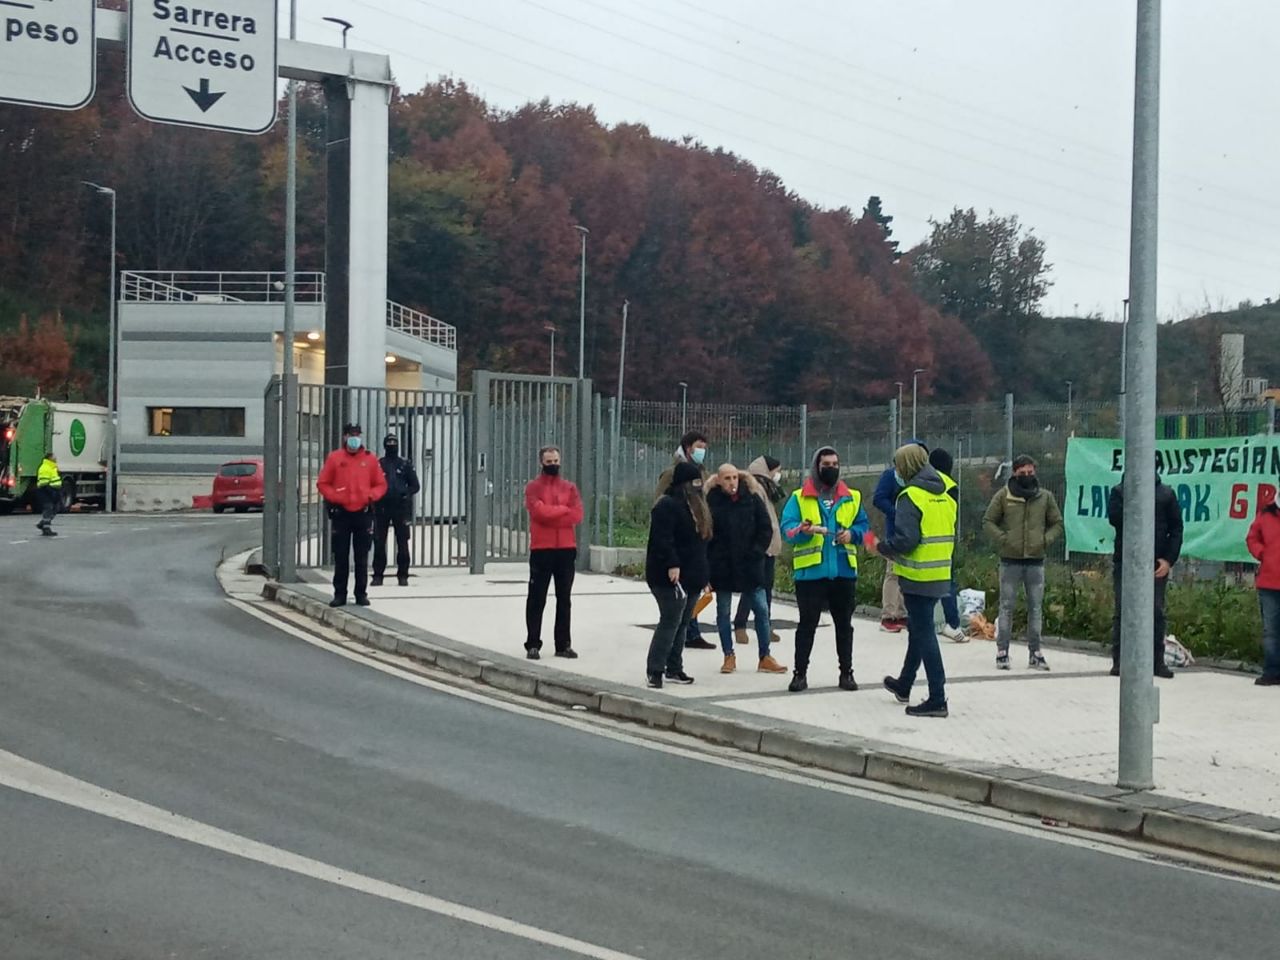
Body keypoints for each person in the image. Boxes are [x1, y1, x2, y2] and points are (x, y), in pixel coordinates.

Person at [875, 443, 956, 718]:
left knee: (925, 634)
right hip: (939, 572)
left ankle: (937, 697)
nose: (896, 471)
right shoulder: (946, 491)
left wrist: (882, 547)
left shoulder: (910, 495)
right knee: (919, 630)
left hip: (917, 575)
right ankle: (905, 683)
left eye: (898, 465)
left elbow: (906, 540)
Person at [779, 446, 869, 693]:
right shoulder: (800, 497)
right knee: (807, 625)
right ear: (816, 467)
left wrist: (852, 534)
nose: (831, 469)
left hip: (843, 571)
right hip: (811, 574)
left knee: (844, 626)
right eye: (826, 465)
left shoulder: (852, 496)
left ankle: (846, 673)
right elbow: (787, 530)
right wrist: (803, 531)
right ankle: (800, 674)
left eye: (835, 464)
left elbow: (863, 526)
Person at [982, 454, 1064, 670]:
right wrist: (1003, 539)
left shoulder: (1045, 497)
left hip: (1036, 561)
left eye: (1030, 472)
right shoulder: (1004, 496)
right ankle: (1002, 652)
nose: (1027, 476)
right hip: (1010, 561)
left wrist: (1045, 540)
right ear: (1015, 473)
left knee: (1035, 608)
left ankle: (1035, 653)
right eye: (1022, 473)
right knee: (1006, 606)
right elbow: (988, 521)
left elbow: (1057, 523)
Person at [705, 463, 787, 674]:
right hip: (723, 566)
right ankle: (728, 655)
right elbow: (705, 534)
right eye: (727, 478)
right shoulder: (712, 501)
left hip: (750, 565)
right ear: (719, 481)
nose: (732, 482)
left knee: (761, 609)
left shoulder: (751, 497)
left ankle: (765, 656)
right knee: (723, 611)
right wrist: (712, 561)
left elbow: (765, 527)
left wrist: (757, 551)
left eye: (734, 477)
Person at [1108, 468, 1183, 679]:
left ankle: (1157, 662)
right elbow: (1115, 518)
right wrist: (1134, 496)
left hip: (1156, 563)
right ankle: (1119, 661)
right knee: (1123, 610)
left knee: (1155, 612)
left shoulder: (1166, 494)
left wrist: (1168, 560)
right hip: (1126, 561)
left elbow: (1176, 529)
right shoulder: (1119, 492)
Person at [645, 461, 711, 688]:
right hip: (667, 575)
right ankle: (655, 669)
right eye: (694, 482)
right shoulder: (667, 506)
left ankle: (674, 667)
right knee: (670, 620)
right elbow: (662, 540)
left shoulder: (699, 507)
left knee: (683, 621)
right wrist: (672, 563)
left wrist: (704, 576)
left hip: (692, 574)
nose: (698, 486)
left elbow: (702, 545)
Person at [655, 430, 716, 650]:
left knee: (692, 592)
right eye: (699, 446)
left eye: (705, 447)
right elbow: (660, 501)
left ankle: (691, 632)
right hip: (680, 541)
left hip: (697, 537)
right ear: (689, 447)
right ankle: (686, 635)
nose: (702, 451)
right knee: (678, 602)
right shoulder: (672, 473)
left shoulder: (702, 471)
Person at [317, 423, 387, 608]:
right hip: (341, 513)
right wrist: (335, 496)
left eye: (357, 434)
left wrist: (371, 495)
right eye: (350, 434)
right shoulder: (335, 458)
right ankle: (340, 594)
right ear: (344, 437)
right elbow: (323, 483)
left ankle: (361, 593)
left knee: (361, 557)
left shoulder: (370, 459)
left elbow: (381, 484)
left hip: (363, 513)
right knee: (341, 556)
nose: (354, 438)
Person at [524, 445, 584, 661]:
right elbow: (538, 513)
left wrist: (553, 513)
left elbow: (577, 515)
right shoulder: (533, 487)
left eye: (556, 461)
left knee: (564, 598)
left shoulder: (569, 487)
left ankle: (563, 644)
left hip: (566, 548)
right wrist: (563, 511)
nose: (553, 465)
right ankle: (533, 644)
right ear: (542, 462)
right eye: (549, 462)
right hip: (542, 548)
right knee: (537, 598)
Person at [873, 439, 928, 633]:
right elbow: (879, 498)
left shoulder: (921, 479)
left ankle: (903, 614)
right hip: (896, 531)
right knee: (893, 572)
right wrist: (897, 513)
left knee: (908, 573)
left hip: (916, 531)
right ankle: (889, 615)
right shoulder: (891, 476)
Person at [733, 455, 785, 645]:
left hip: (768, 545)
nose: (778, 475)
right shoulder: (754, 487)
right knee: (753, 587)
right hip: (759, 546)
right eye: (776, 471)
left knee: (766, 587)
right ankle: (741, 624)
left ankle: (764, 625)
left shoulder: (765, 486)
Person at [929, 447, 968, 643]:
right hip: (945, 542)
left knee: (922, 587)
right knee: (947, 584)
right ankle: (953, 624)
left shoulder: (920, 484)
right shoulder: (951, 486)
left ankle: (920, 623)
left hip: (924, 541)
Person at [372, 433, 420, 587]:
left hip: (400, 507)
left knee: (403, 542)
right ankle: (378, 575)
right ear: (385, 445)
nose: (392, 445)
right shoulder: (379, 464)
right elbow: (371, 484)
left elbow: (415, 485)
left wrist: (405, 493)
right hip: (382, 506)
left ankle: (403, 575)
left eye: (394, 443)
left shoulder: (404, 464)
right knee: (379, 542)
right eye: (389, 443)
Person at [1246, 494, 1280, 687]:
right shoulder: (1266, 513)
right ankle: (1272, 672)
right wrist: (1262, 553)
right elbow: (1252, 538)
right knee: (1271, 631)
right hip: (1269, 582)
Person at [35, 451, 61, 537]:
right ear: (49, 458)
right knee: (48, 508)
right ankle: (46, 528)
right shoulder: (45, 467)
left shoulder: (52, 467)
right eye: (54, 456)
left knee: (56, 508)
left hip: (53, 490)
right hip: (46, 491)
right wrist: (51, 492)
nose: (56, 458)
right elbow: (44, 483)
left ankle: (43, 523)